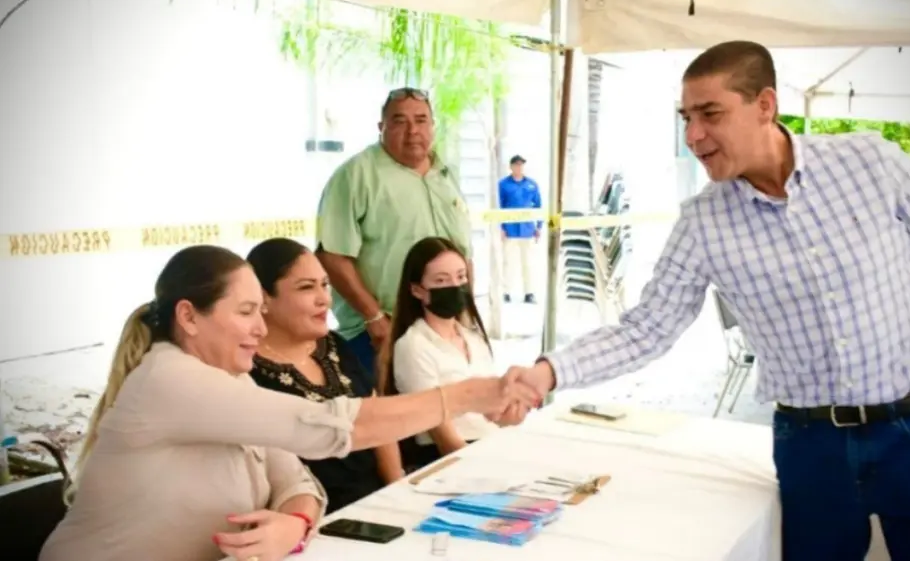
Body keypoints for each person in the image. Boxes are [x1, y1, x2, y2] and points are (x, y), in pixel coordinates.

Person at [500, 41, 910, 561]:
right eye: (686, 117)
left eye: (710, 114)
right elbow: (646, 329)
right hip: (812, 447)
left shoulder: (867, 160)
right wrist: (548, 372)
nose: (693, 135)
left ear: (765, 104)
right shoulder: (703, 222)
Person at [40, 245, 537, 561]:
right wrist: (469, 394)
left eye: (261, 311)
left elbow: (298, 479)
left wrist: (293, 523)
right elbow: (328, 426)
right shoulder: (168, 379)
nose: (260, 328)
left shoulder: (235, 386)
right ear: (189, 317)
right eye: (246, 312)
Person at [316, 87, 473, 380]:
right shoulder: (356, 175)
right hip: (380, 331)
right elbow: (332, 256)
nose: (413, 131)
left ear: (433, 125)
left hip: (442, 325)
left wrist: (467, 313)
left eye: (421, 120)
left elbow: (464, 253)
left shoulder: (446, 174)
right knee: (389, 419)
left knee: (442, 416)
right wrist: (374, 317)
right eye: (400, 121)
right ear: (381, 127)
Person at [246, 238, 405, 513]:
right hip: (308, 518)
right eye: (307, 287)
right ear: (263, 298)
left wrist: (398, 494)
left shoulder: (334, 345)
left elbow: (378, 423)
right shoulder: (247, 369)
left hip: (377, 505)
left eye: (325, 285)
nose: (325, 299)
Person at [378, 237, 501, 469]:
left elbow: (498, 412)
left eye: (461, 276)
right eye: (441, 280)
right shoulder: (413, 346)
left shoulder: (473, 338)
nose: (455, 287)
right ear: (417, 290)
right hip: (450, 461)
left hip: (491, 448)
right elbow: (445, 440)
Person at [498, 154, 543, 303]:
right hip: (510, 229)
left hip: (527, 230)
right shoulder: (503, 185)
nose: (519, 167)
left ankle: (529, 292)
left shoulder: (531, 184)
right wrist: (501, 227)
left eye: (521, 165)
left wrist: (539, 227)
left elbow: (538, 206)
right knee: (508, 262)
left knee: (528, 262)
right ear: (511, 167)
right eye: (516, 165)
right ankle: (506, 291)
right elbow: (499, 207)